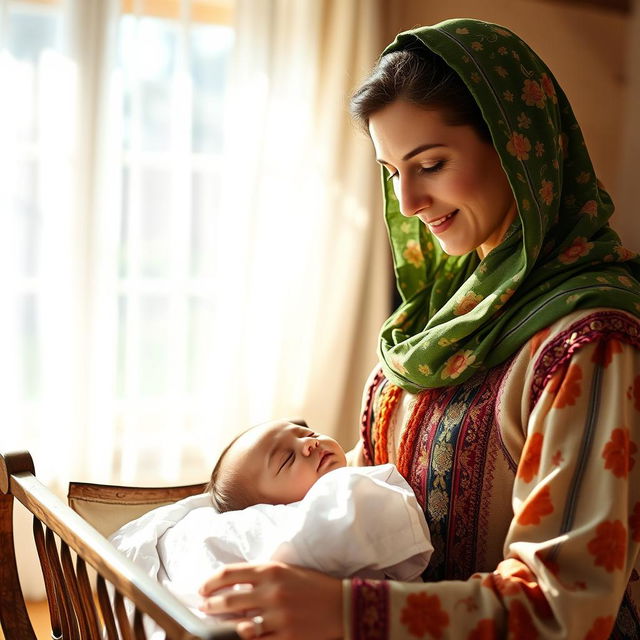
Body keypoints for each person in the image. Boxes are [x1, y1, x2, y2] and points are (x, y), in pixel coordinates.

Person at [197, 18, 640, 639]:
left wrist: (347, 612)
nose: (406, 202)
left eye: (430, 163)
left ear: (518, 148)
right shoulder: (438, 317)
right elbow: (382, 473)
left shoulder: (588, 345)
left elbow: (567, 607)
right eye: (391, 170)